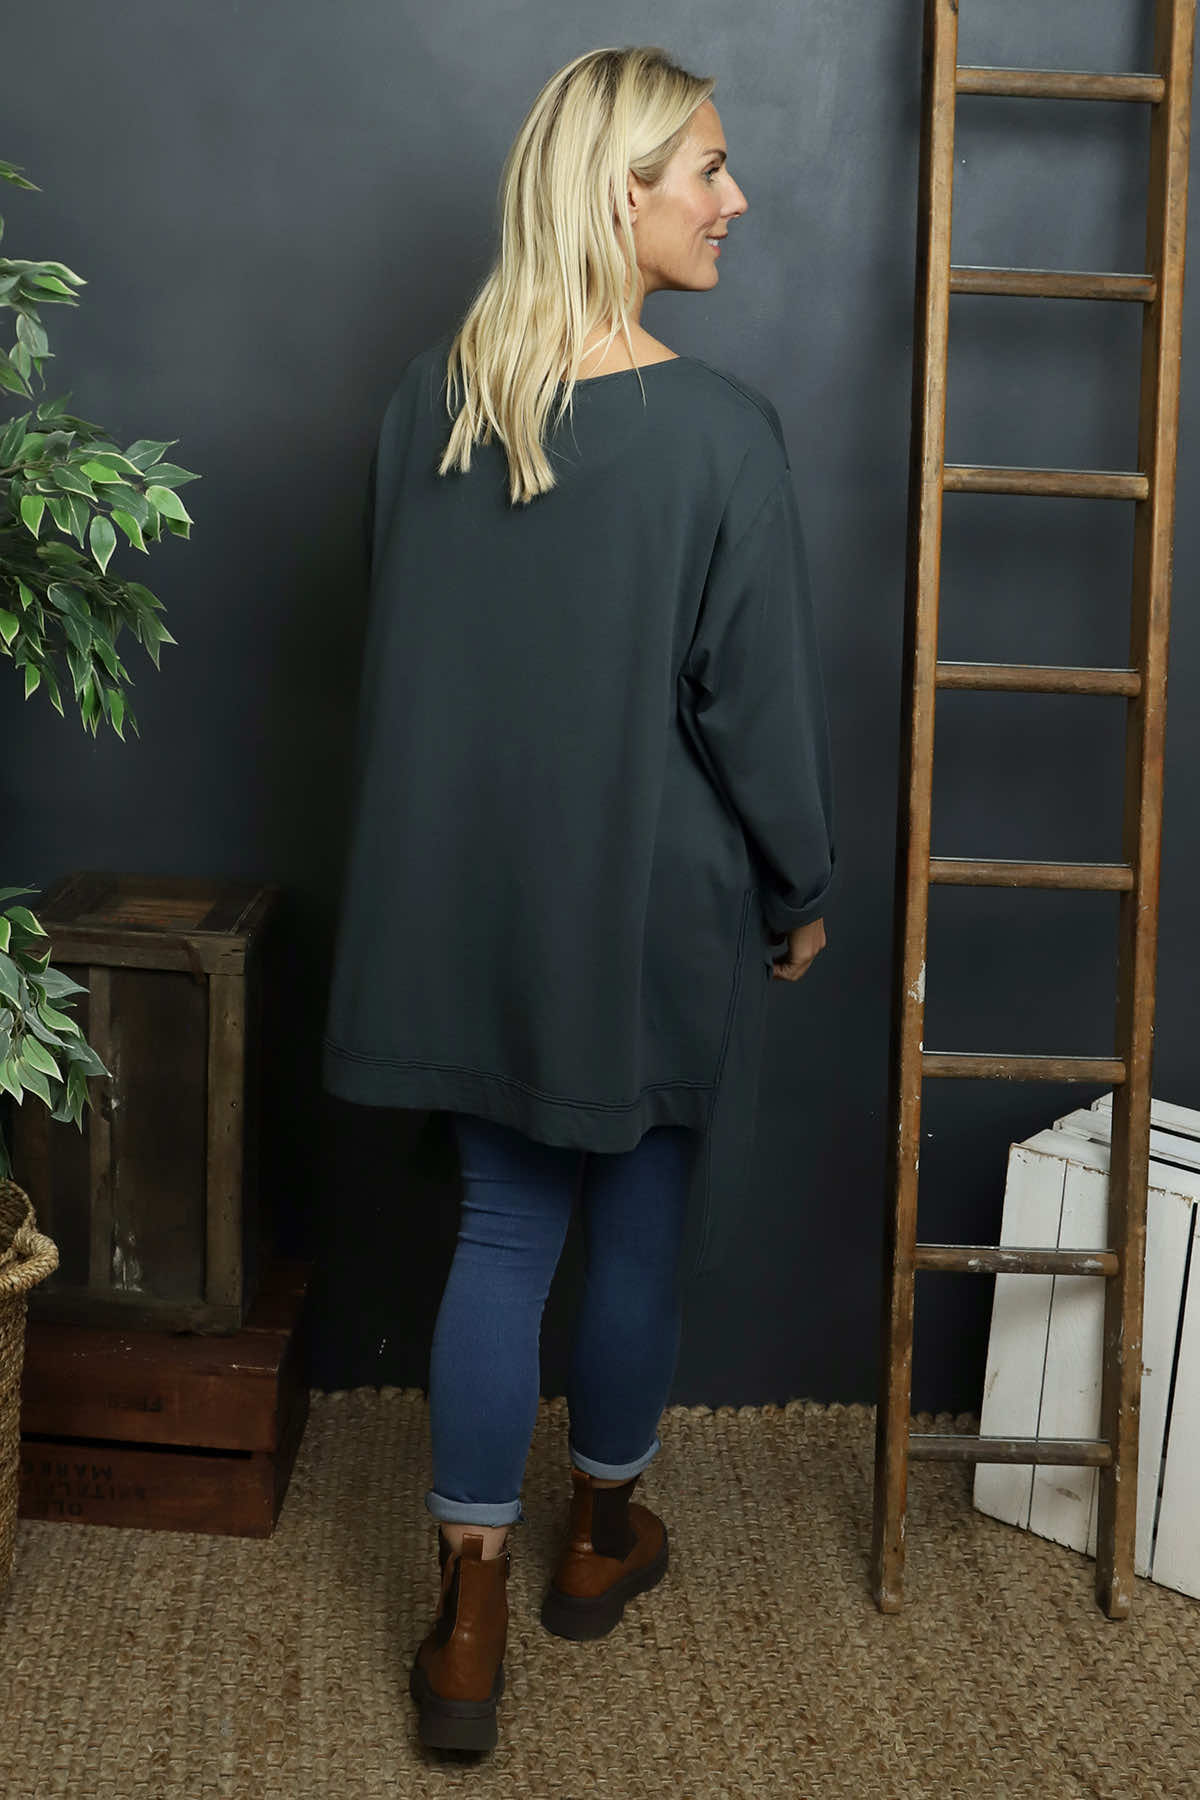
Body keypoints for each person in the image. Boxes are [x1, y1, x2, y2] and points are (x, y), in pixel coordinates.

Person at [320, 43, 837, 1755]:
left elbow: (420, 667)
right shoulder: (721, 434)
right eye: (706, 169)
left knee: (502, 1232)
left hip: (467, 912)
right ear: (623, 193)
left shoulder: (432, 403)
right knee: (639, 1227)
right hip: (646, 916)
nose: (734, 198)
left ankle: (467, 1612)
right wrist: (801, 886)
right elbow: (755, 712)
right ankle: (601, 1539)